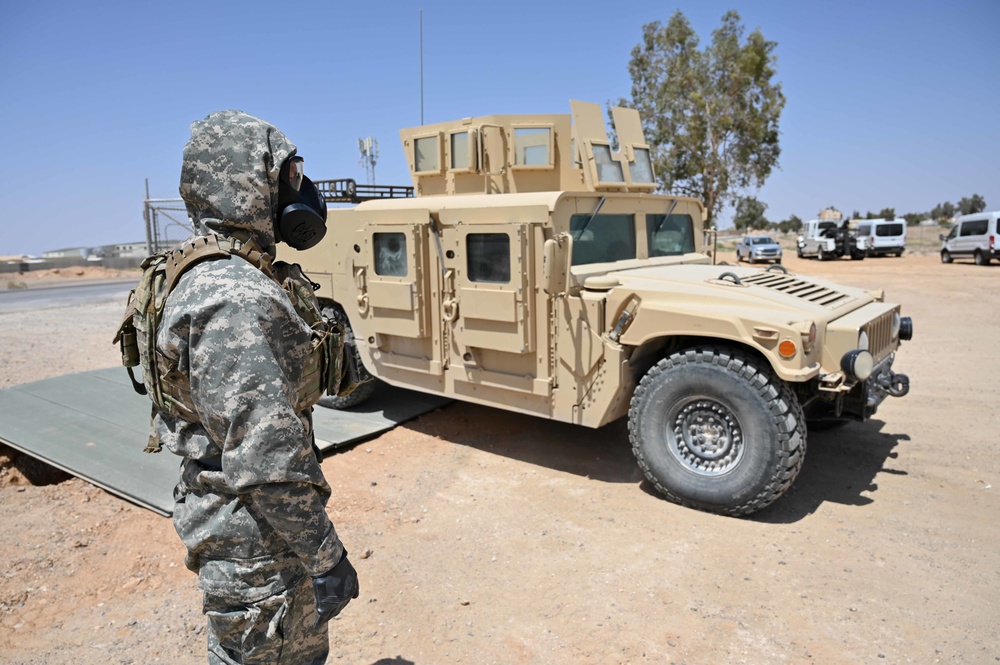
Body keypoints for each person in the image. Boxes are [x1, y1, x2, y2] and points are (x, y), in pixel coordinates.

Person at [134, 110, 359, 664]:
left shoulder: (207, 273)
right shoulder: (235, 297)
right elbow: (266, 459)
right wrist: (326, 557)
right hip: (262, 553)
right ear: (249, 183)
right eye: (290, 172)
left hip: (245, 539)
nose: (299, 186)